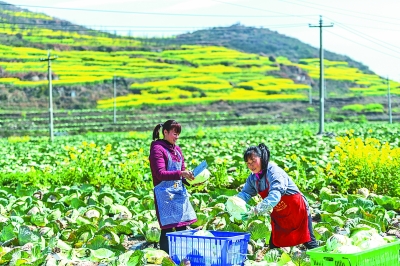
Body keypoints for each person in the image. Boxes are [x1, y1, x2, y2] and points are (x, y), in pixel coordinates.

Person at [236, 143, 318, 250]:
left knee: (309, 242)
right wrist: (233, 203)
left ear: (262, 158)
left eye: (254, 161)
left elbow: (275, 195)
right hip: (280, 214)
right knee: (274, 244)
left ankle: (323, 260)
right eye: (248, 163)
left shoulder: (274, 172)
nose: (251, 165)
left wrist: (256, 210)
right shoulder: (253, 178)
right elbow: (245, 194)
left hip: (297, 210)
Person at [149, 119, 197, 254]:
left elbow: (181, 173)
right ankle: (166, 258)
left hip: (179, 192)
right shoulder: (157, 148)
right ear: (165, 132)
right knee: (168, 229)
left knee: (182, 226)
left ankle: (183, 257)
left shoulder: (177, 150)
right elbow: (160, 174)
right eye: (174, 134)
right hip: (164, 195)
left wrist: (190, 179)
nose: (177, 137)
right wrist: (181, 173)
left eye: (178, 134)